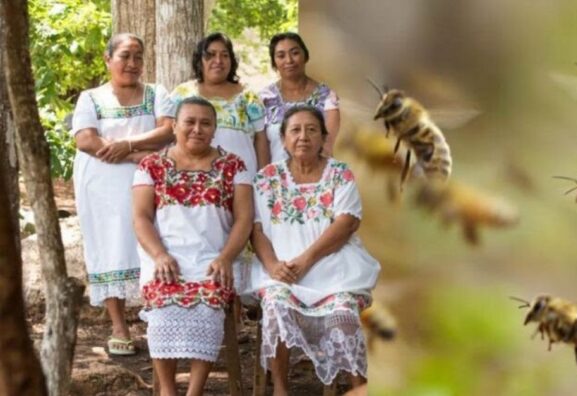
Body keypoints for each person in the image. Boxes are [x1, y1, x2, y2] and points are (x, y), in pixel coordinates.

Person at [246, 105, 380, 395]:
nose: (303, 137)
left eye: (311, 130)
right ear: (283, 139)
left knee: (343, 313)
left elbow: (347, 223)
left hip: (334, 268)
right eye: (295, 130)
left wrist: (306, 259)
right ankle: (281, 389)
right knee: (276, 306)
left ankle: (360, 388)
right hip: (281, 270)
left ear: (323, 137)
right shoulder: (266, 179)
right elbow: (255, 229)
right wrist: (272, 265)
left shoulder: (340, 174)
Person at [132, 97, 253, 396]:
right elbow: (141, 218)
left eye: (205, 123)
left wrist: (226, 257)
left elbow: (244, 219)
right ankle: (168, 391)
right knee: (161, 306)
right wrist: (159, 255)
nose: (197, 129)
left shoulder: (233, 165)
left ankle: (194, 392)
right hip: (164, 256)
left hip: (215, 257)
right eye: (190, 122)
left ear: (214, 129)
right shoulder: (152, 166)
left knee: (209, 303)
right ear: (174, 126)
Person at [71, 32, 174, 356]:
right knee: (110, 246)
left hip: (149, 180)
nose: (132, 63)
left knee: (157, 242)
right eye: (125, 56)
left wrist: (129, 148)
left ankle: (159, 322)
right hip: (101, 185)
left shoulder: (157, 93)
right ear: (108, 59)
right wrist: (131, 153)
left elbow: (168, 130)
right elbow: (86, 139)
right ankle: (119, 326)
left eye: (138, 57)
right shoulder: (91, 97)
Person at [170, 32, 269, 172]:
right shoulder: (182, 94)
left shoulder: (248, 96)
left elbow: (261, 139)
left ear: (232, 61)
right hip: (193, 180)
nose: (218, 60)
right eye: (210, 55)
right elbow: (170, 135)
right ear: (199, 61)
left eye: (224, 55)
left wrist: (263, 179)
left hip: (243, 180)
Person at [259, 32, 341, 163]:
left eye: (295, 53)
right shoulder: (265, 98)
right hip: (275, 179)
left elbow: (326, 147)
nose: (289, 60)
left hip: (316, 178)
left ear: (305, 56)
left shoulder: (326, 97)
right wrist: (264, 180)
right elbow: (260, 147)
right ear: (274, 63)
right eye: (281, 56)